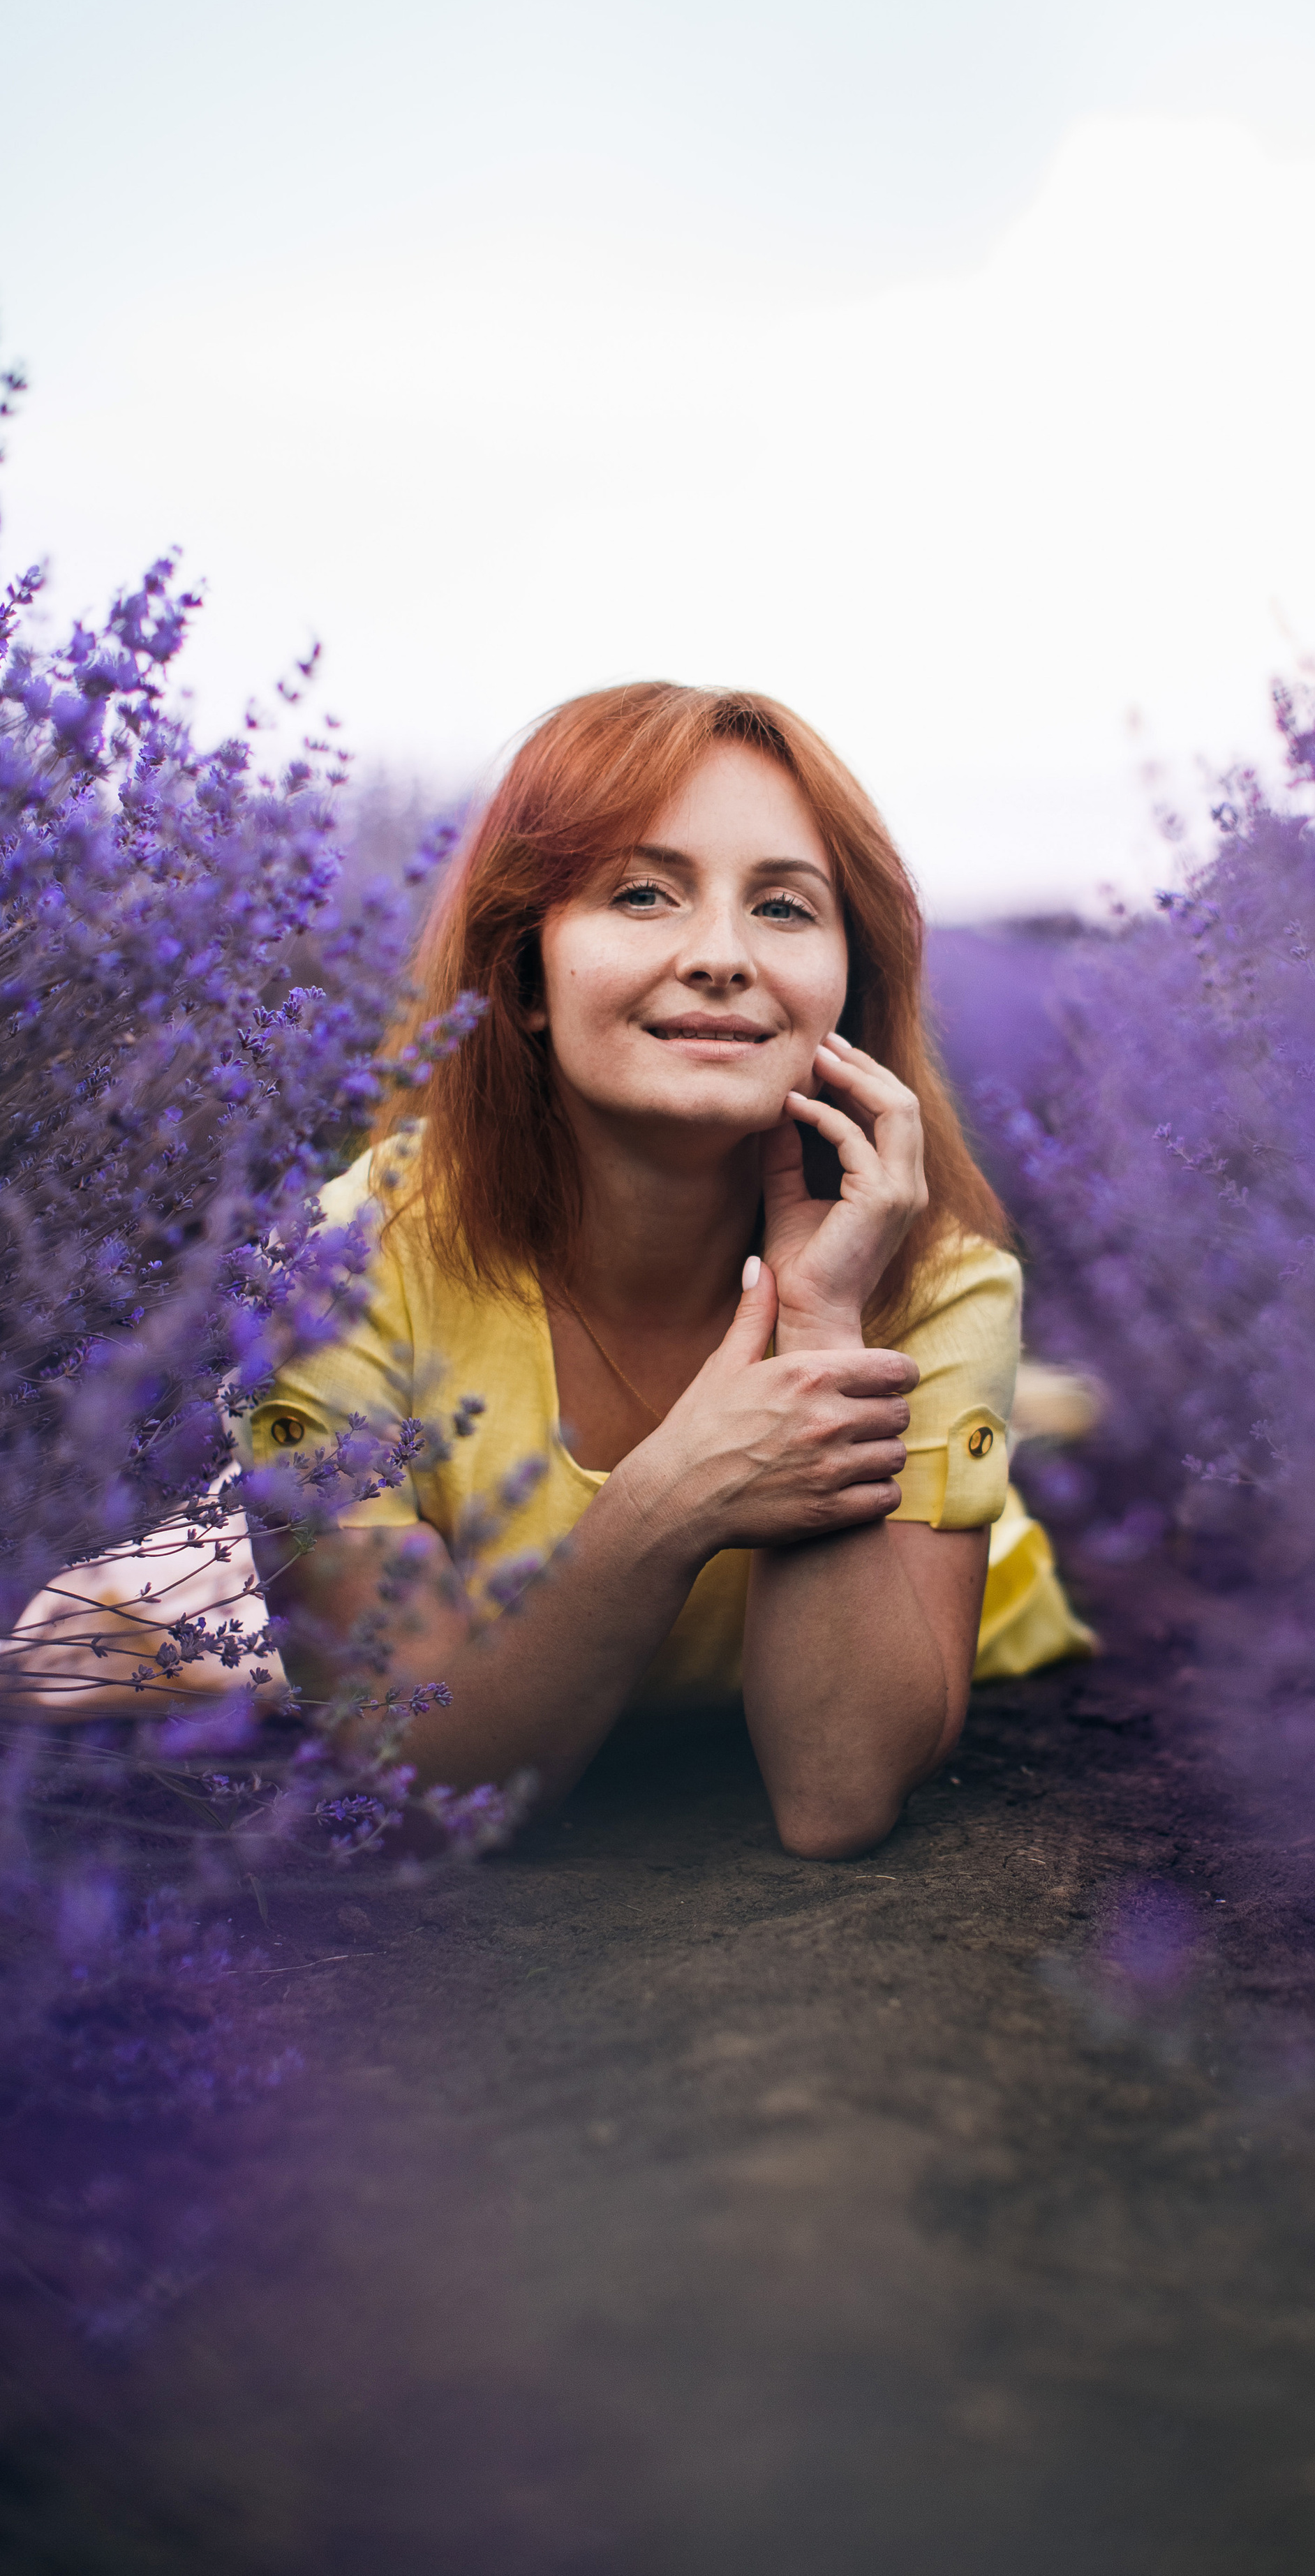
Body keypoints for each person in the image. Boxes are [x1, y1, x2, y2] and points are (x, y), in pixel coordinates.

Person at [241, 684, 1091, 1859]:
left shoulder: (937, 1278)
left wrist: (821, 1319)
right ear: (528, 976)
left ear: (852, 985)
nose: (722, 959)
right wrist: (676, 1496)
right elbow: (417, 1779)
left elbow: (835, 1796)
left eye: (786, 908)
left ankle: (1034, 1431)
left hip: (973, 1623)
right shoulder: (349, 1261)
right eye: (643, 895)